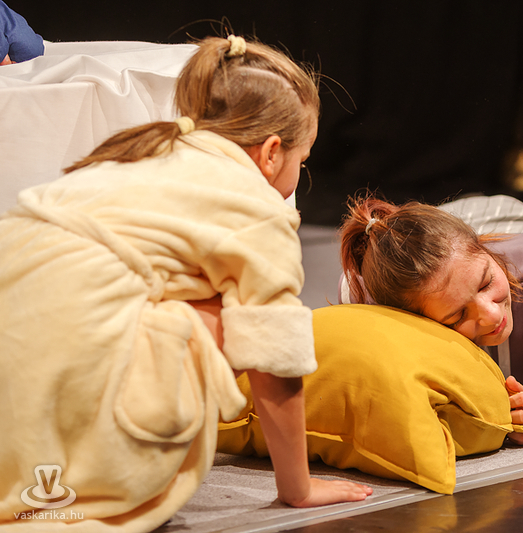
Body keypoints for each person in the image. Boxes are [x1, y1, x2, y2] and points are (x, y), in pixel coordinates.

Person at [0, 35, 370, 531]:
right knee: (234, 314)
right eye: (301, 161)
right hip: (75, 355)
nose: (298, 176)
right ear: (270, 152)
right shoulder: (254, 204)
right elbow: (276, 359)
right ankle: (97, 471)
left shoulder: (145, 148)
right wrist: (297, 488)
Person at [339, 194, 523, 445]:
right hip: (459, 233)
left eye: (486, 283)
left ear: (485, 250)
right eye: (458, 315)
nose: (492, 315)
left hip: (521, 231)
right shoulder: (369, 304)